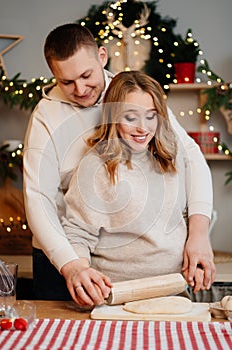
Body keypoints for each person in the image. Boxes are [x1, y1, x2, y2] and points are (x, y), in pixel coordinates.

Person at [23, 23, 215, 303]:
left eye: (87, 75)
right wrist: (72, 263)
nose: (80, 88)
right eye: (66, 82)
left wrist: (198, 234)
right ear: (54, 76)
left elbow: (190, 157)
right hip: (61, 253)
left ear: (102, 56)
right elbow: (38, 197)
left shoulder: (135, 95)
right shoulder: (46, 117)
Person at [62, 70, 215, 306]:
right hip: (115, 297)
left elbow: (182, 217)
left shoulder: (172, 154)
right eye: (131, 118)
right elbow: (78, 233)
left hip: (172, 293)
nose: (143, 128)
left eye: (151, 116)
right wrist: (81, 271)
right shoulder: (95, 166)